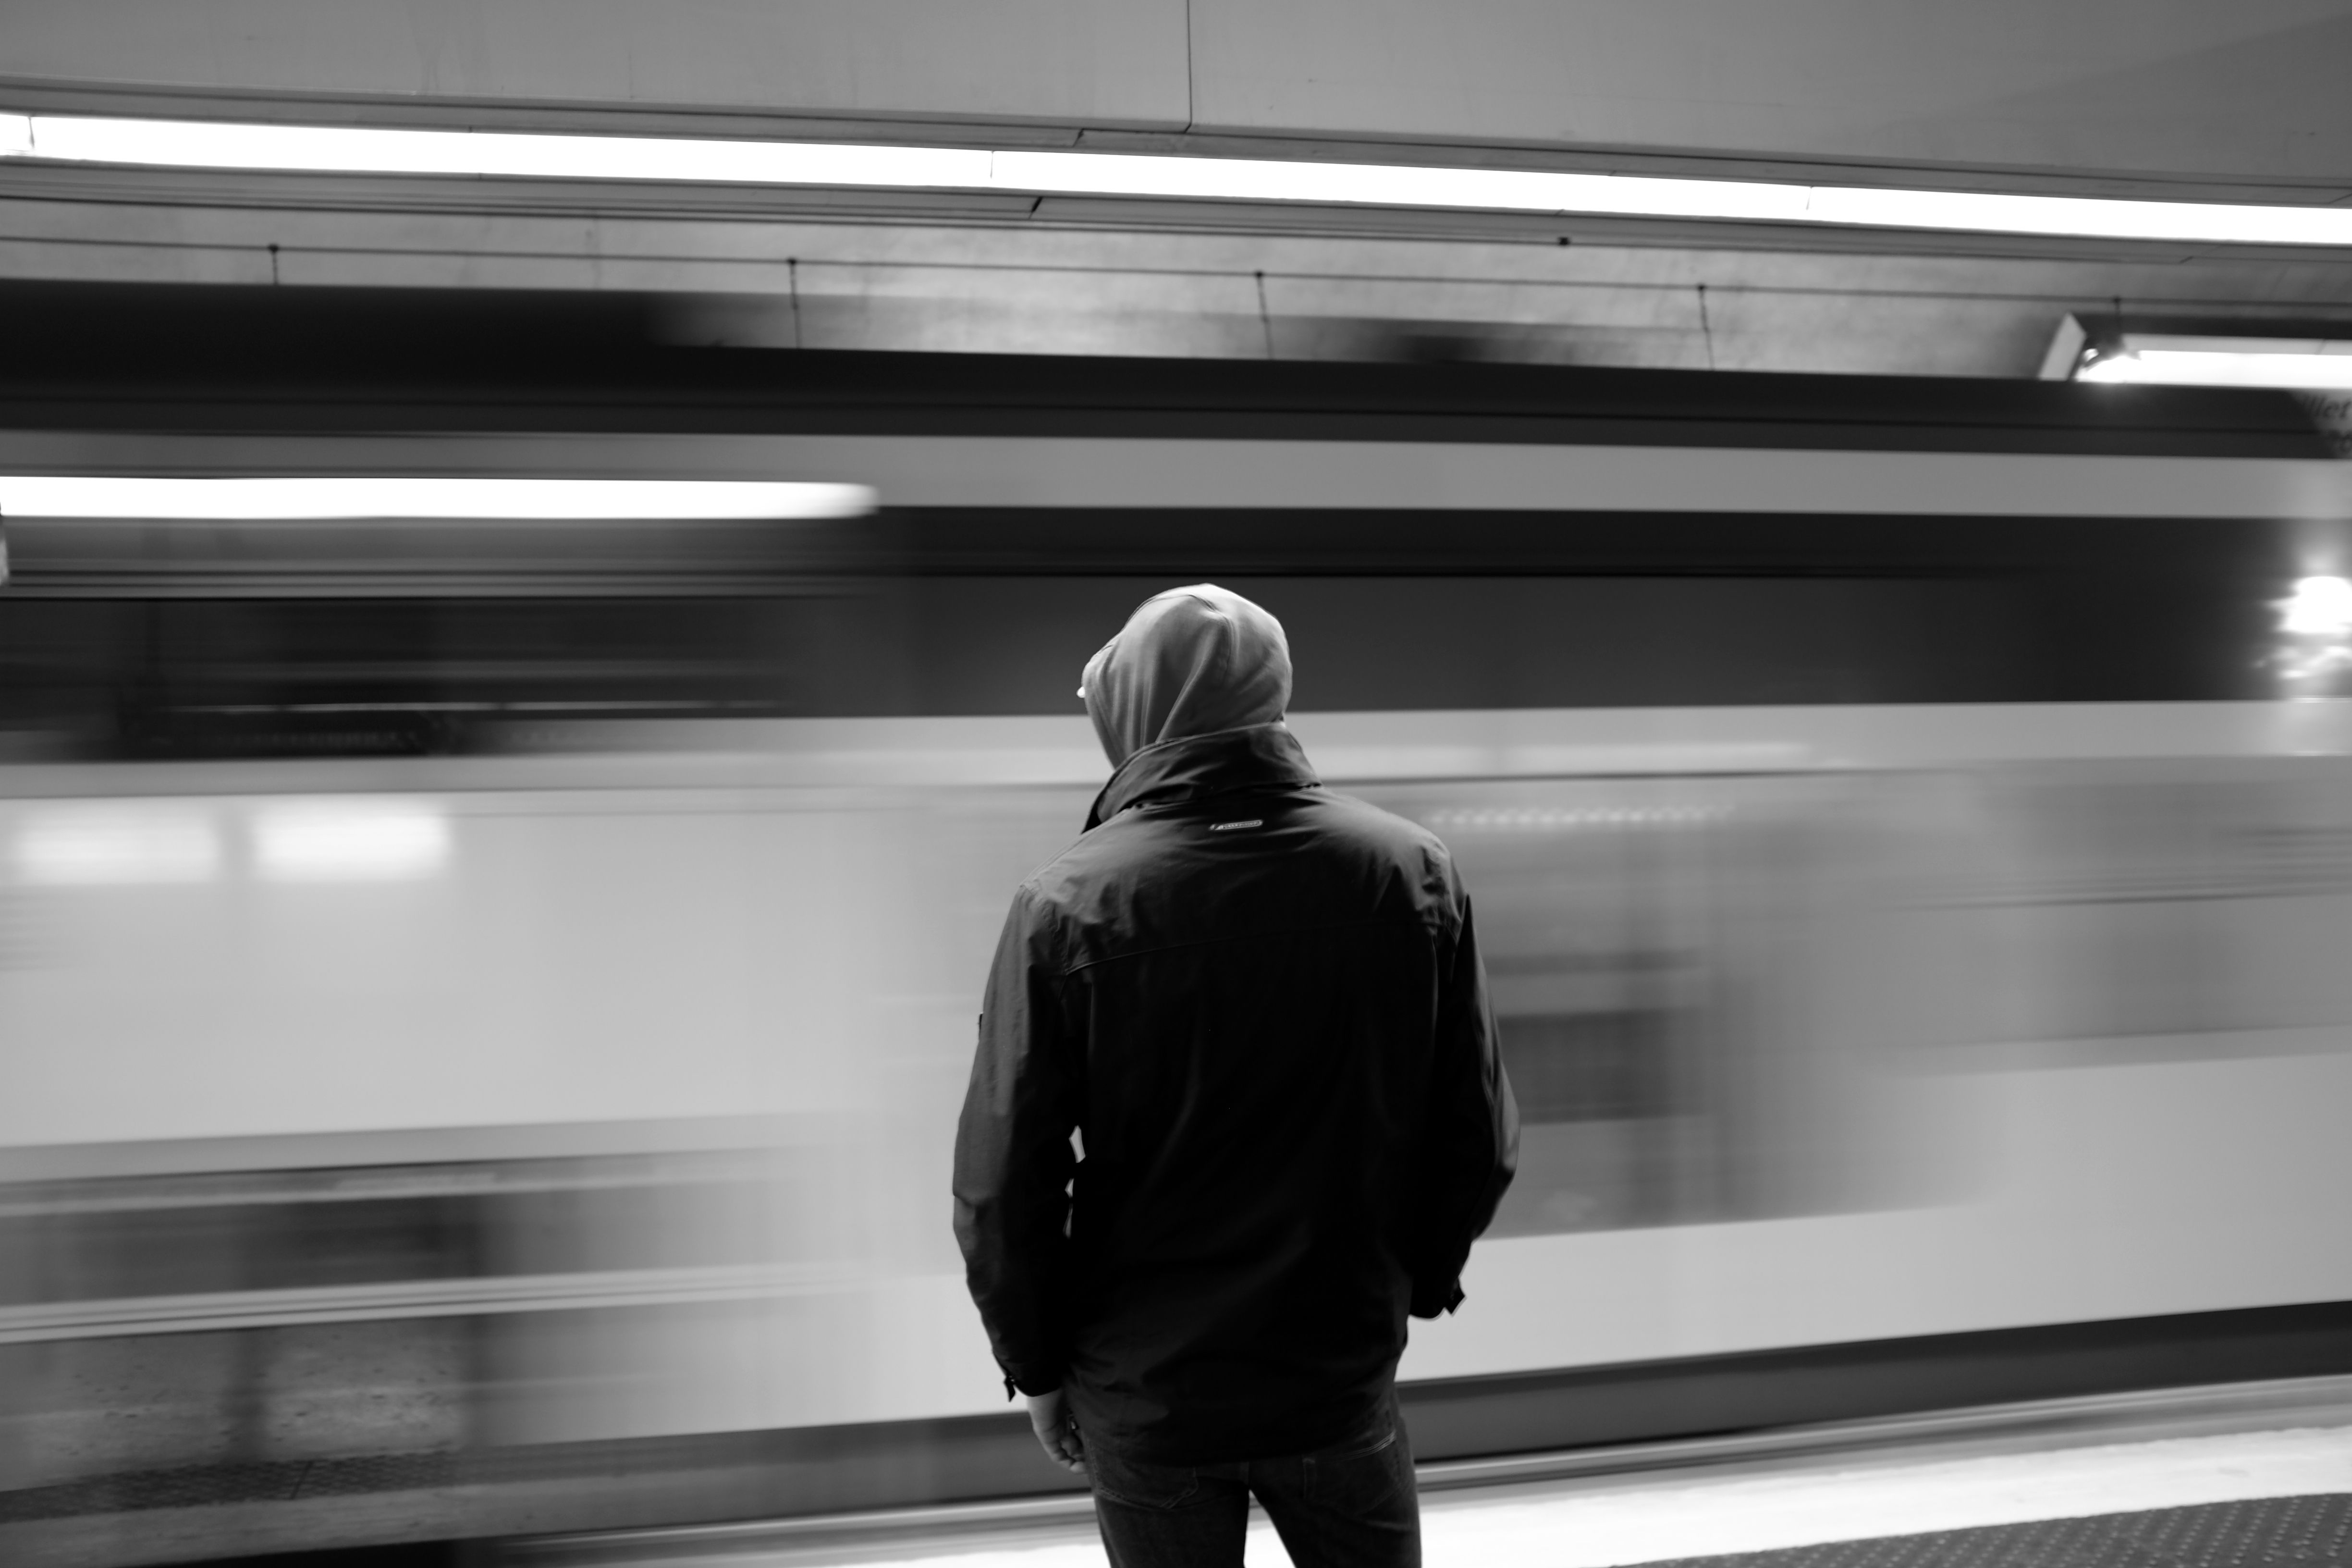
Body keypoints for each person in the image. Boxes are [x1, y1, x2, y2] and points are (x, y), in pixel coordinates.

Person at [953, 584, 1519, 1568]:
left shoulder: (1066, 904)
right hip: (1334, 1376)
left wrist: (1038, 1371)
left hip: (1145, 1396)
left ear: (1133, 716)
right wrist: (1403, 1291)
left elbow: (1004, 1183)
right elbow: (1476, 1132)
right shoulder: (1410, 873)